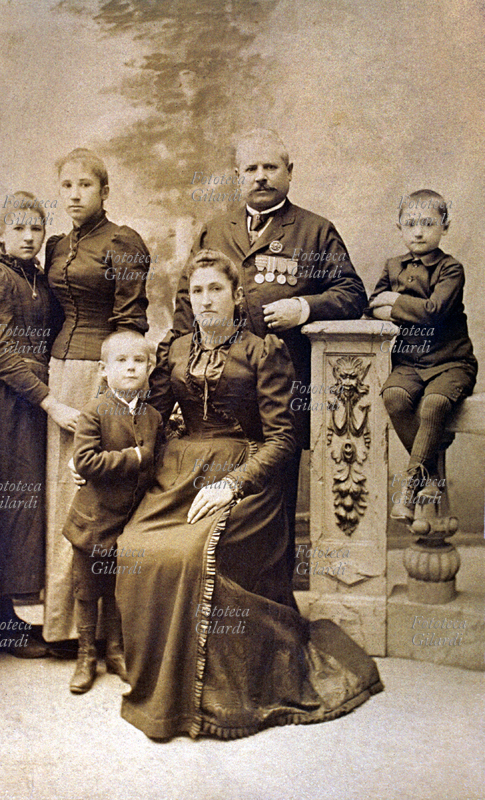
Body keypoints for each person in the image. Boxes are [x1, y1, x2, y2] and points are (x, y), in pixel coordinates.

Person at [115, 249, 382, 741]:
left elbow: (283, 438)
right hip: (179, 474)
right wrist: (113, 445)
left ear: (237, 296)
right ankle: (160, 675)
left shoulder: (265, 351)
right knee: (136, 547)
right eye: (197, 291)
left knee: (193, 554)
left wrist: (232, 484)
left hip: (246, 476)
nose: (205, 299)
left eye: (216, 289)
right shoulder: (174, 351)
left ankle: (199, 695)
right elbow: (148, 416)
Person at [158, 128, 367, 574]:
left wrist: (305, 306)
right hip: (218, 386)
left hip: (281, 387)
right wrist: (178, 362)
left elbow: (353, 292)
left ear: (289, 172)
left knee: (275, 489)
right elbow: (185, 305)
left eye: (270, 167)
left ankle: (274, 599)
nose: (261, 177)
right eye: (251, 169)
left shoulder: (315, 231)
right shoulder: (216, 230)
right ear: (238, 176)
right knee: (210, 497)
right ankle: (214, 599)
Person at [43, 148, 150, 644]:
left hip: (98, 375)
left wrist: (114, 389)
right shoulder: (55, 246)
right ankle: (64, 625)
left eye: (85, 185)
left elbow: (130, 323)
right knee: (62, 493)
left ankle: (107, 632)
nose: (74, 194)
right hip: (59, 375)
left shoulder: (123, 241)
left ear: (104, 192)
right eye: (67, 185)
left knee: (95, 495)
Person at [0, 192, 75, 658]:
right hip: (0, 405)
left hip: (29, 406)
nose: (29, 237)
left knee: (25, 511)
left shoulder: (39, 280)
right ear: (1, 234)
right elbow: (3, 354)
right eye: (20, 229)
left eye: (36, 229)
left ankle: (5, 620)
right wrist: (50, 401)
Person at [62, 331, 162, 693]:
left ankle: (116, 651)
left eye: (139, 361)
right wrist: (133, 457)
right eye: (122, 361)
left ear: (150, 367)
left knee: (120, 590)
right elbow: (85, 461)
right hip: (92, 523)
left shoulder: (152, 417)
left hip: (128, 524)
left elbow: (157, 465)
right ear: (104, 370)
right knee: (87, 591)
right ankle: (86, 655)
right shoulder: (94, 411)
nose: (131, 368)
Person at [368, 190, 477, 521]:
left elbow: (433, 312)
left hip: (450, 362)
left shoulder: (450, 269)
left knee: (434, 404)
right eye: (411, 224)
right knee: (395, 396)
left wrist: (395, 302)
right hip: (410, 363)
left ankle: (408, 490)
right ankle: (432, 477)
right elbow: (372, 306)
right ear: (398, 227)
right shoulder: (393, 266)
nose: (418, 232)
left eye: (428, 224)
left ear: (445, 226)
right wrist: (390, 304)